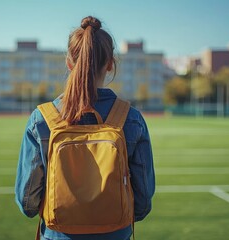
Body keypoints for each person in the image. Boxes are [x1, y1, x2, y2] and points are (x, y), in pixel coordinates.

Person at [15, 16, 155, 240]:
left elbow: (28, 203)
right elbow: (143, 201)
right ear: (110, 63)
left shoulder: (41, 119)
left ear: (69, 62)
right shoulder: (131, 119)